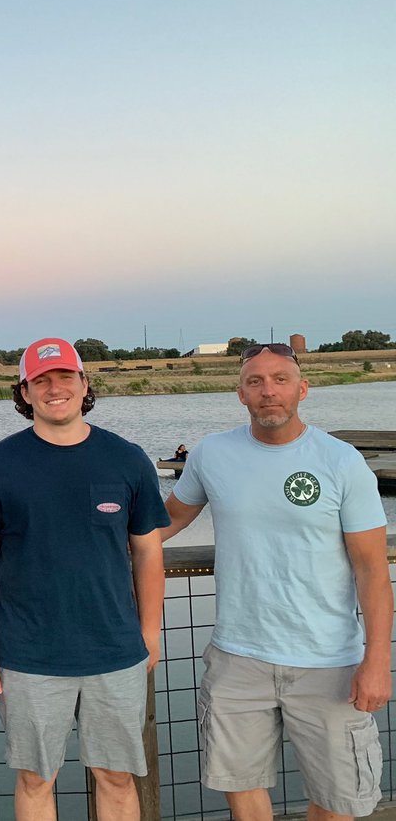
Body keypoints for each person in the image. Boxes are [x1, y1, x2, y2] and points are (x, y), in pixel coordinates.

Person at [163, 343, 392, 821]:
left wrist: (377, 658)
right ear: (240, 394)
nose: (269, 391)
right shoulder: (212, 454)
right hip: (237, 658)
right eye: (255, 382)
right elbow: (167, 521)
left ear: (302, 389)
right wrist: (91, 542)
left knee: (337, 801)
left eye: (280, 380)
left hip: (329, 662)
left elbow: (371, 567)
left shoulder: (341, 461)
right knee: (242, 790)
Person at [0, 337, 167, 821]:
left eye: (65, 377)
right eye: (41, 380)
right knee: (35, 779)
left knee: (116, 777)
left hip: (115, 651)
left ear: (84, 383)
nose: (55, 389)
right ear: (25, 392)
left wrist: (151, 633)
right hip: (29, 656)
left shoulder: (127, 459)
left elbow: (148, 550)